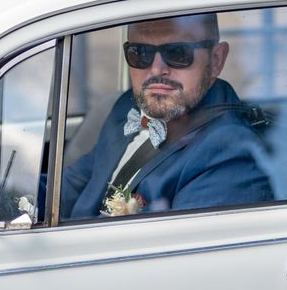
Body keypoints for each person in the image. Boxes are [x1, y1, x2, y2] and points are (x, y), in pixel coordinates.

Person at [60, 13, 273, 219]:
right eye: (140, 53)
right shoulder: (127, 106)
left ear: (216, 60)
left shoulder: (229, 154)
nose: (156, 69)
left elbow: (175, 250)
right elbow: (74, 183)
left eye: (178, 53)